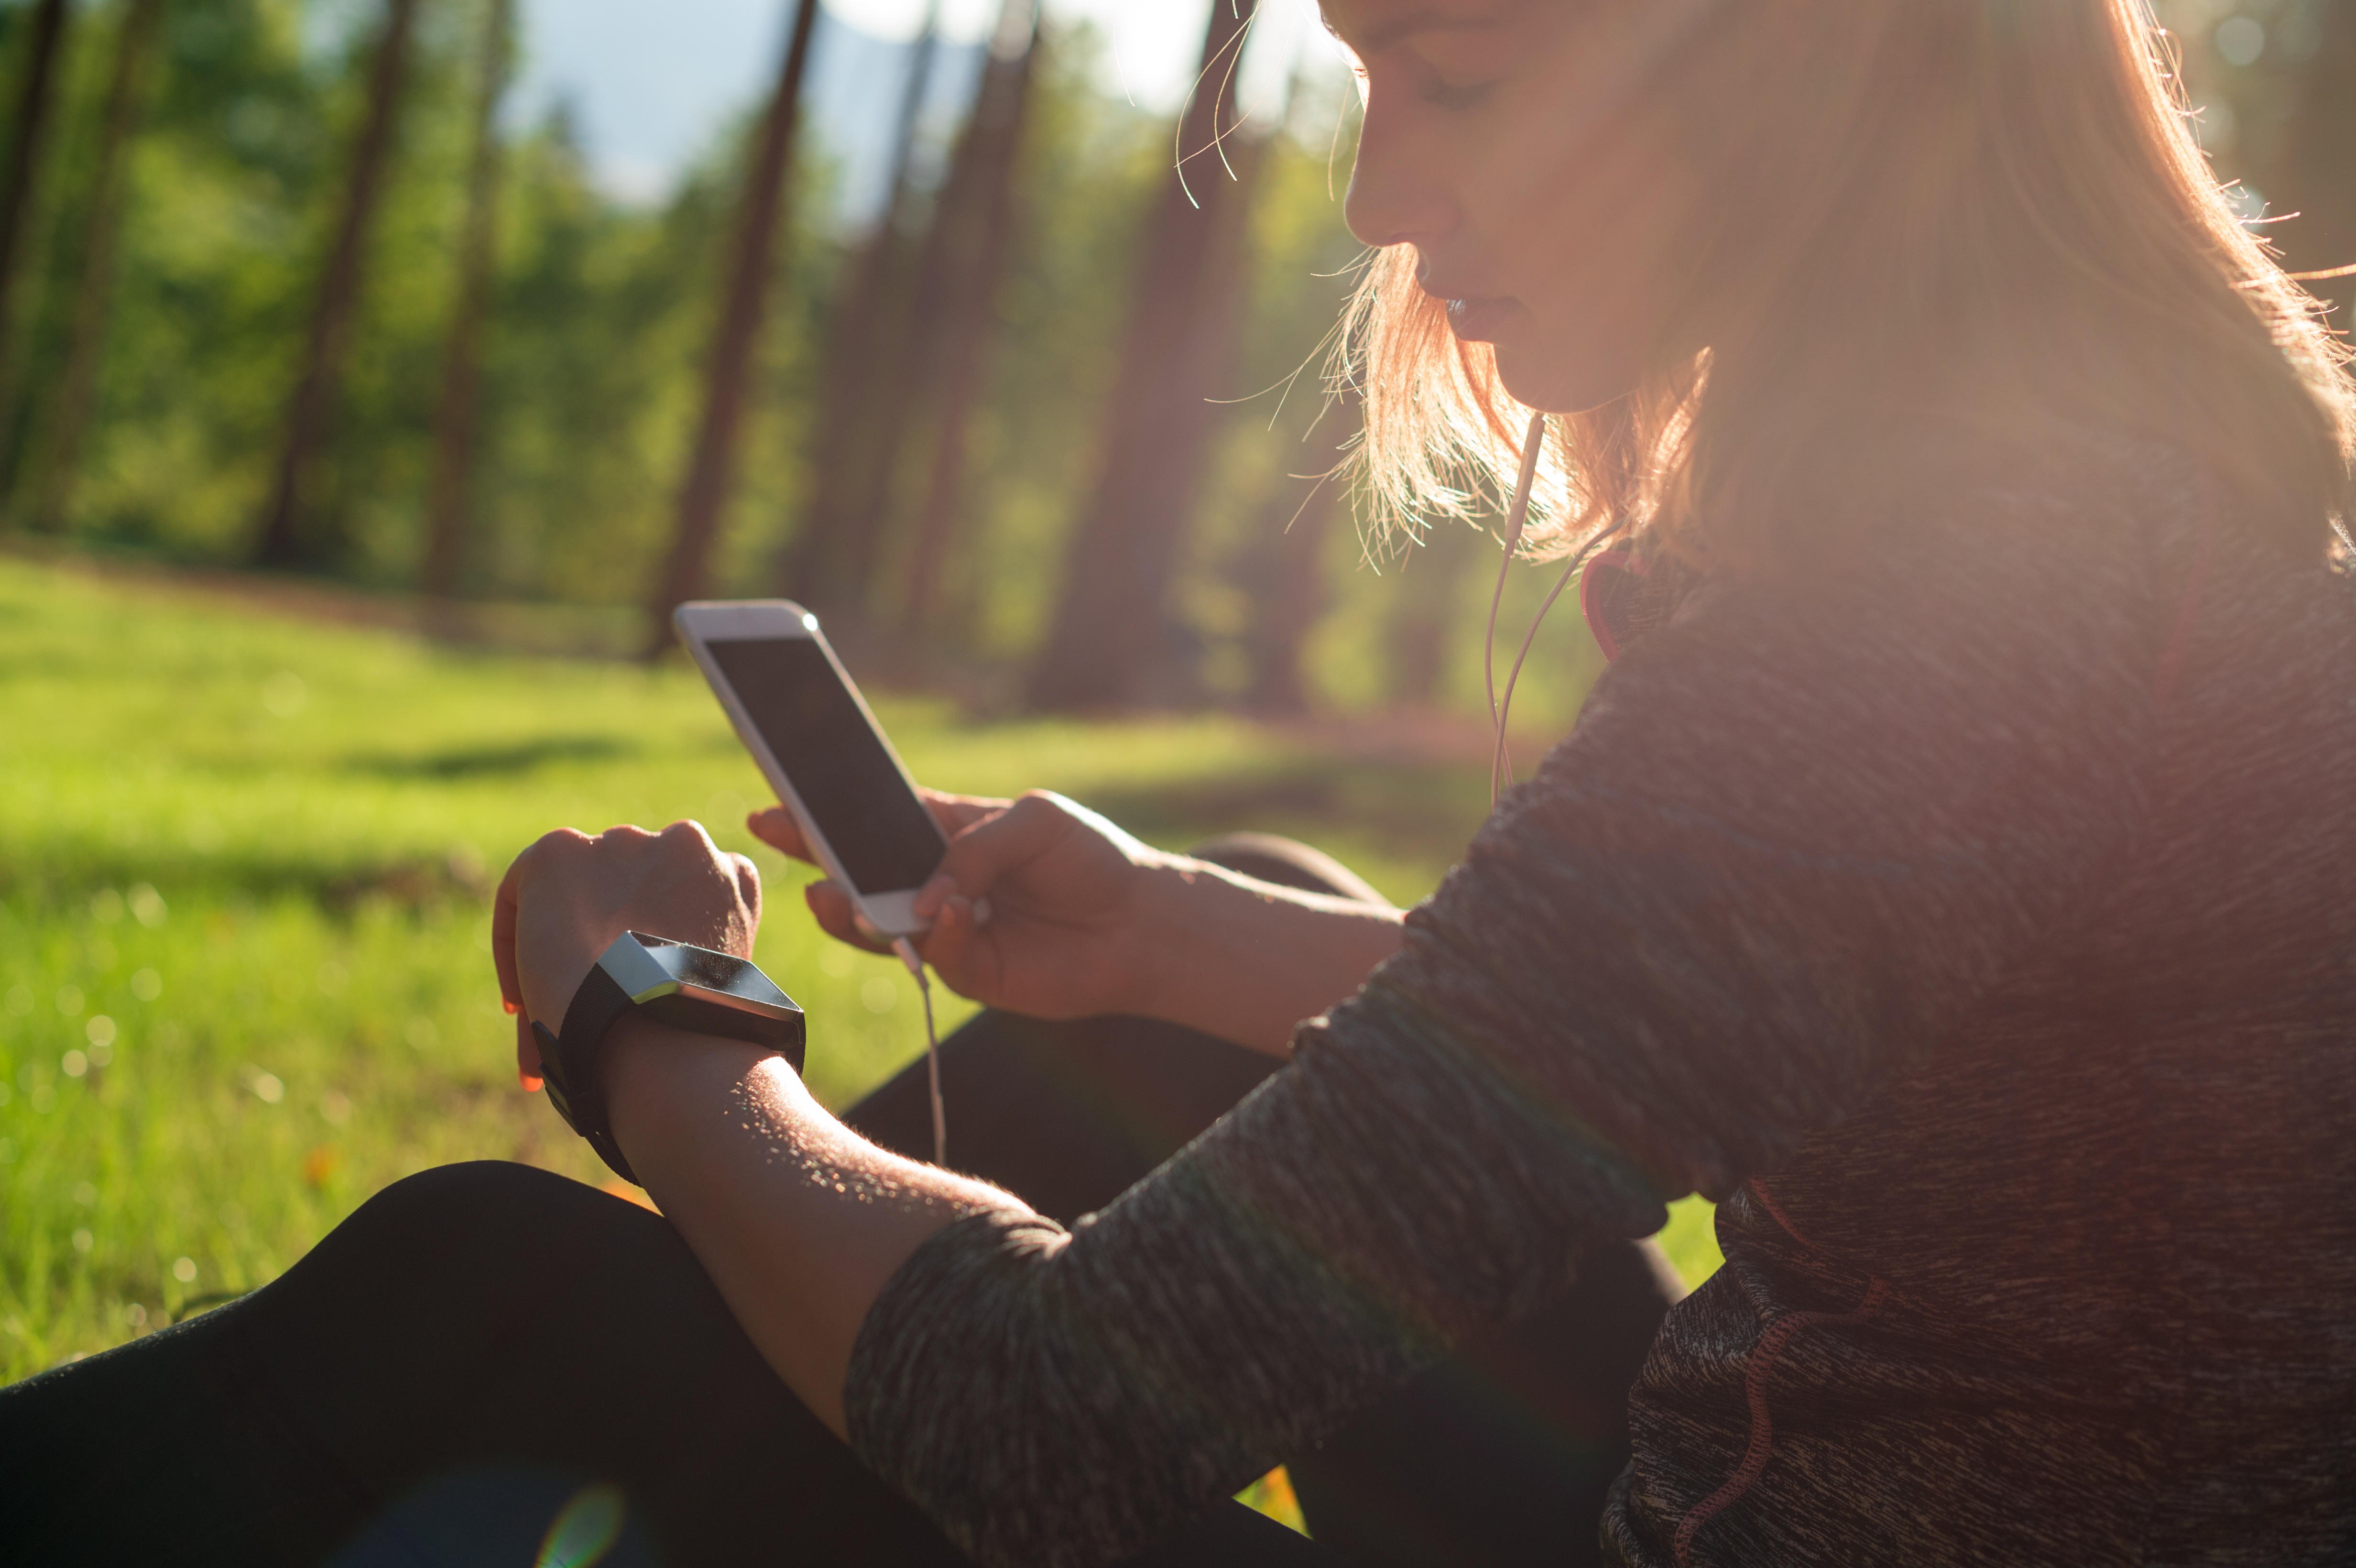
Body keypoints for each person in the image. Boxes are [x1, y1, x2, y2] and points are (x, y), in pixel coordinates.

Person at [6, 0, 2354, 1563]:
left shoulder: (1925, 599)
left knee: (482, 1282)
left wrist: (654, 1026)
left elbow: (1051, 1426)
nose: (1373, 203)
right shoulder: (2109, 485)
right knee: (1152, 989)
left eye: (1457, 75)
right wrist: (1160, 935)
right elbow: (1778, 1022)